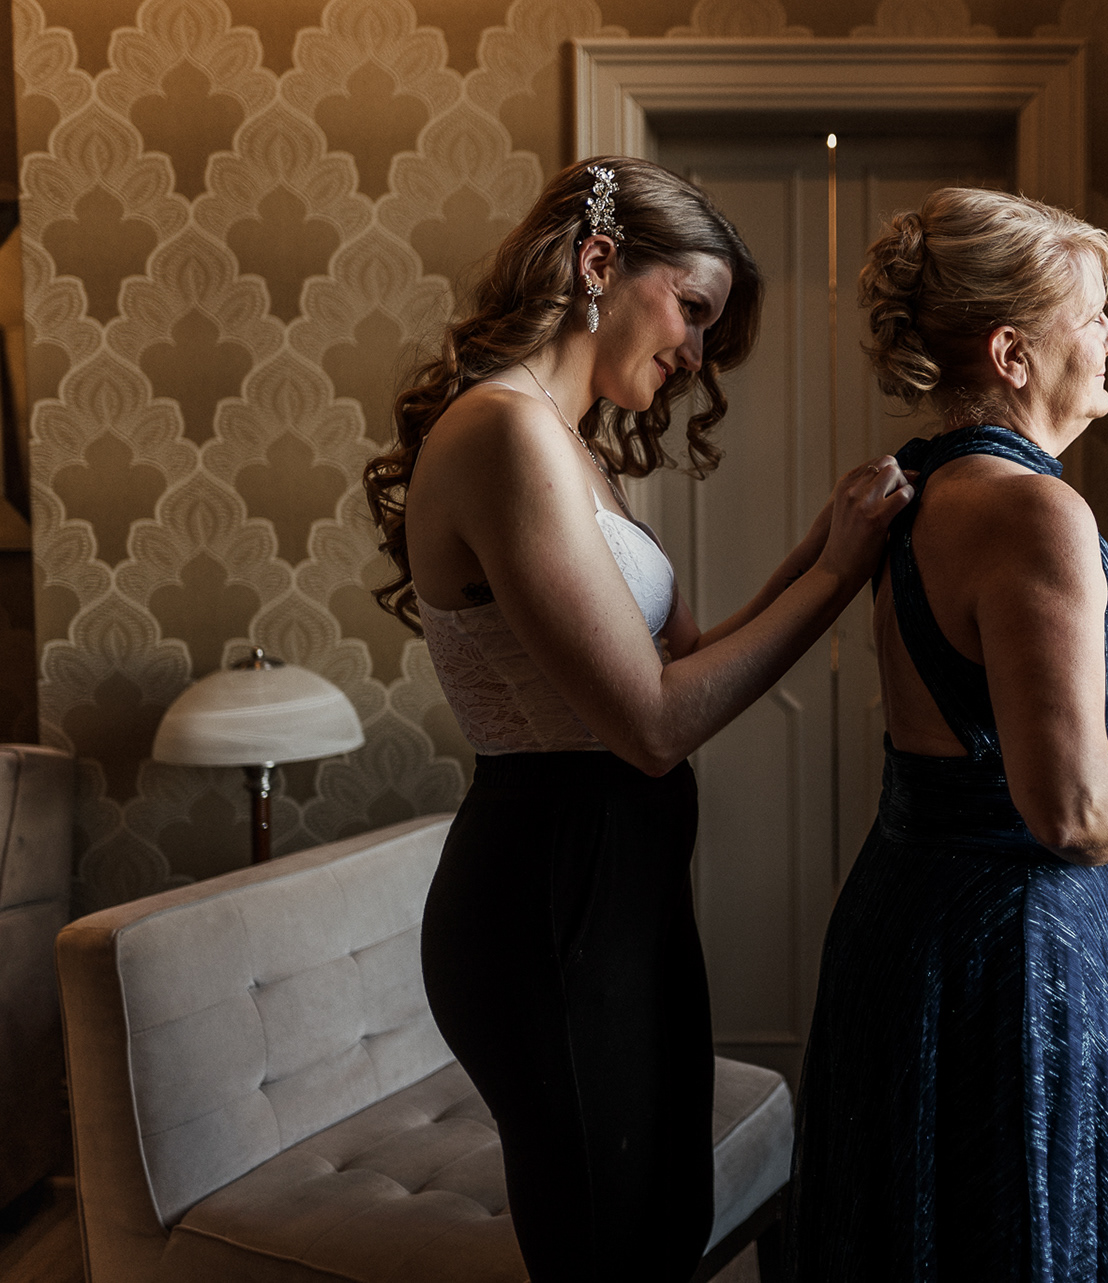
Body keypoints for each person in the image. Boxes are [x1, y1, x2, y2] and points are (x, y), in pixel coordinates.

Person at [361, 157, 913, 1282]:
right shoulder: (504, 433)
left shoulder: (568, 446)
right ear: (601, 261)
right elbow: (653, 724)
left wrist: (823, 544)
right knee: (609, 1249)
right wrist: (838, 576)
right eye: (692, 308)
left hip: (619, 889)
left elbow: (685, 660)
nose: (697, 353)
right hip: (548, 892)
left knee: (660, 1229)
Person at [788, 187, 1108, 1281]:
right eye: (1094, 318)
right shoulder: (1034, 511)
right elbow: (1066, 806)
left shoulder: (917, 486)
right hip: (1015, 955)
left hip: (914, 924)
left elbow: (1002, 727)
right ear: (1012, 352)